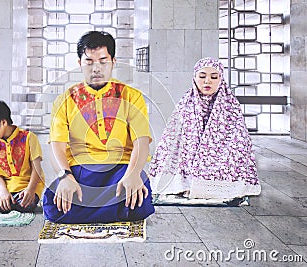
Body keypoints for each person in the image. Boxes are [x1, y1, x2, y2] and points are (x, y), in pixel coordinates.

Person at [43, 31, 155, 223]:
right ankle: (113, 209)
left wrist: (133, 174)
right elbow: (57, 146)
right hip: (80, 170)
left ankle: (93, 209)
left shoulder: (131, 96)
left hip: (121, 169)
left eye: (103, 61)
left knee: (140, 199)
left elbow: (141, 141)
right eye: (89, 61)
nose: (96, 68)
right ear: (79, 63)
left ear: (113, 61)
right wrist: (65, 177)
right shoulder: (64, 100)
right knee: (51, 205)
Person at [148, 57, 261, 203]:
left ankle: (215, 184)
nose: (207, 81)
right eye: (202, 76)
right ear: (195, 78)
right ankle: (185, 181)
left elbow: (239, 138)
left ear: (221, 79)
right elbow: (171, 136)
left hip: (222, 157)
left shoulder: (230, 104)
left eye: (214, 77)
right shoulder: (186, 103)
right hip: (188, 157)